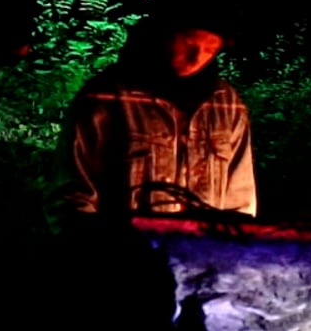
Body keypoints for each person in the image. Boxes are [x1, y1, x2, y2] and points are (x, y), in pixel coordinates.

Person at [57, 17, 257, 220]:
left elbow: (239, 199)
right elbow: (73, 195)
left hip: (203, 241)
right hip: (122, 240)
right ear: (163, 36)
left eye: (209, 49)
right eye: (189, 44)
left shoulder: (225, 103)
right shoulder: (107, 98)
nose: (196, 57)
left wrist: (234, 235)